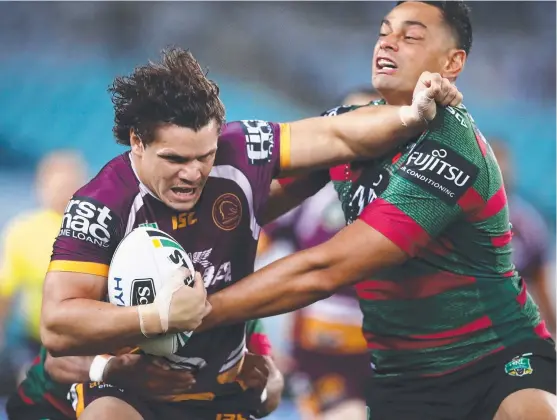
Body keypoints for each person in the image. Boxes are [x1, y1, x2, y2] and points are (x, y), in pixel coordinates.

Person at [37, 47, 460, 420]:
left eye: (204, 156)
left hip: (223, 389)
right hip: (134, 390)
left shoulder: (243, 149)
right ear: (137, 142)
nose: (192, 173)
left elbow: (334, 133)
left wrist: (409, 115)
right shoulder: (99, 203)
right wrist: (157, 321)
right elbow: (57, 324)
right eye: (175, 159)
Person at [200, 2, 557, 420]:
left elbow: (325, 270)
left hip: (496, 357)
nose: (387, 42)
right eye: (384, 31)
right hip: (404, 377)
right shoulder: (348, 127)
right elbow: (248, 204)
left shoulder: (452, 148)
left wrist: (197, 314)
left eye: (410, 36)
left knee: (533, 412)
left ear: (453, 61)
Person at [259, 88, 381, 420]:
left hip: (395, 350)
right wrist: (252, 342)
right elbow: (238, 259)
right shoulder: (306, 188)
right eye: (349, 117)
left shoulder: (416, 195)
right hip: (324, 353)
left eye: (371, 118)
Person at [6, 319, 282, 420]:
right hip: (48, 405)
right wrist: (112, 368)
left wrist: (264, 390)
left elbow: (270, 387)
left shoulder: (235, 302)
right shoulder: (109, 277)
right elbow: (57, 361)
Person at [0, 151, 87, 389]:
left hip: (87, 340)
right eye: (56, 186)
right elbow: (5, 293)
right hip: (36, 341)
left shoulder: (99, 229)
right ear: (40, 187)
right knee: (31, 386)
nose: (63, 193)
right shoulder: (22, 231)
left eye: (70, 184)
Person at [491, 139, 555, 337]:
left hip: (516, 328)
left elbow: (540, 278)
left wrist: (552, 328)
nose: (502, 172)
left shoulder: (528, 223)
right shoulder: (462, 219)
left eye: (505, 165)